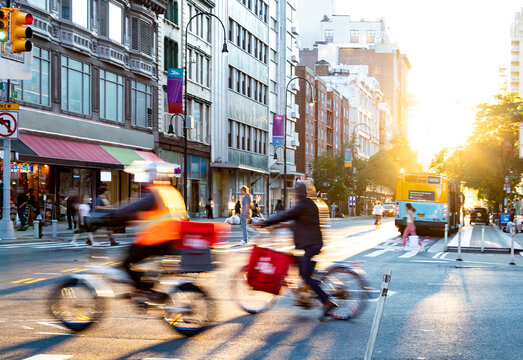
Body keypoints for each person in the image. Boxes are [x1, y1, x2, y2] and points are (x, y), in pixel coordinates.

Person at [86, 161, 189, 302]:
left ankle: (145, 290)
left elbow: (128, 209)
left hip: (156, 239)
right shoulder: (170, 191)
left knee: (126, 262)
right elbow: (138, 214)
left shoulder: (153, 194)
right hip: (173, 238)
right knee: (135, 261)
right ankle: (145, 288)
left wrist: (104, 217)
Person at [254, 181, 340, 318]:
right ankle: (305, 297)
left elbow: (286, 215)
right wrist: (279, 227)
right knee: (299, 266)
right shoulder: (307, 205)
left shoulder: (303, 205)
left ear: (297, 194)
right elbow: (297, 223)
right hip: (311, 244)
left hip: (311, 246)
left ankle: (326, 302)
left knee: (306, 277)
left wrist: (265, 223)